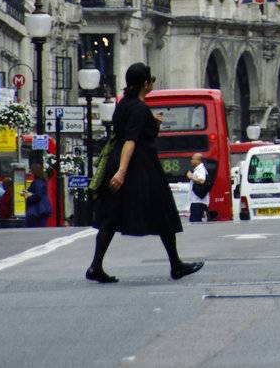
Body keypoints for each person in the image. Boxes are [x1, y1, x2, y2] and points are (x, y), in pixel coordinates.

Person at [86, 63, 204, 283]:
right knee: (163, 210)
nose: (152, 83)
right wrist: (122, 172)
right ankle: (176, 265)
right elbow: (131, 141)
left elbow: (127, 133)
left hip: (119, 161)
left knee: (111, 216)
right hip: (139, 166)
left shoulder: (124, 105)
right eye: (151, 79)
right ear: (145, 83)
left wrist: (152, 122)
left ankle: (95, 266)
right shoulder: (139, 109)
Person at [24, 161, 52, 228]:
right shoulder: (41, 180)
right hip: (41, 209)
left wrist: (28, 195)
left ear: (35, 171)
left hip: (38, 210)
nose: (30, 173)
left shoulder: (38, 182)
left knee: (36, 229)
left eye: (31, 171)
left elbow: (38, 195)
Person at [187, 152, 211, 223]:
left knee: (195, 223)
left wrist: (191, 177)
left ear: (198, 161)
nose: (191, 161)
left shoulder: (200, 169)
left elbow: (202, 180)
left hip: (198, 203)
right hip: (197, 202)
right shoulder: (199, 169)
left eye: (192, 159)